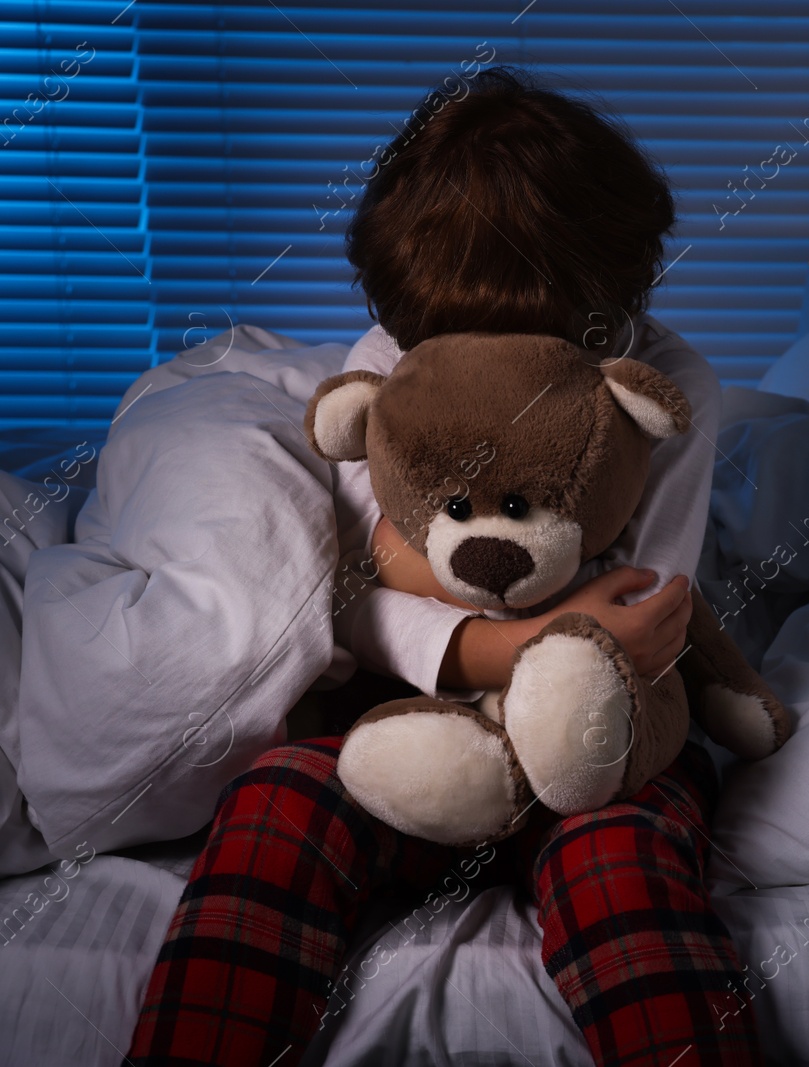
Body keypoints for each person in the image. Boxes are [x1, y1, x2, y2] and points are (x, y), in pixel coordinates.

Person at [128, 67, 760, 1067]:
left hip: (605, 726)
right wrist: (507, 634)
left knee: (619, 855)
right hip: (417, 717)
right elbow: (352, 592)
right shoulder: (391, 351)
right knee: (280, 799)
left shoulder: (665, 380)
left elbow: (641, 612)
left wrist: (420, 572)